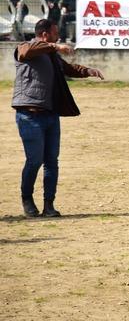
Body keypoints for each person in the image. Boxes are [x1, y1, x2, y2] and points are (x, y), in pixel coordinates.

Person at [12, 19, 104, 217]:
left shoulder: (51, 55)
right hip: (30, 114)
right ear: (45, 34)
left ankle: (49, 204)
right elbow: (26, 51)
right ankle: (27, 199)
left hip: (51, 115)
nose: (58, 35)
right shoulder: (25, 47)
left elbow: (69, 69)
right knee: (34, 161)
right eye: (55, 33)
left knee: (51, 162)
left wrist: (88, 71)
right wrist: (55, 46)